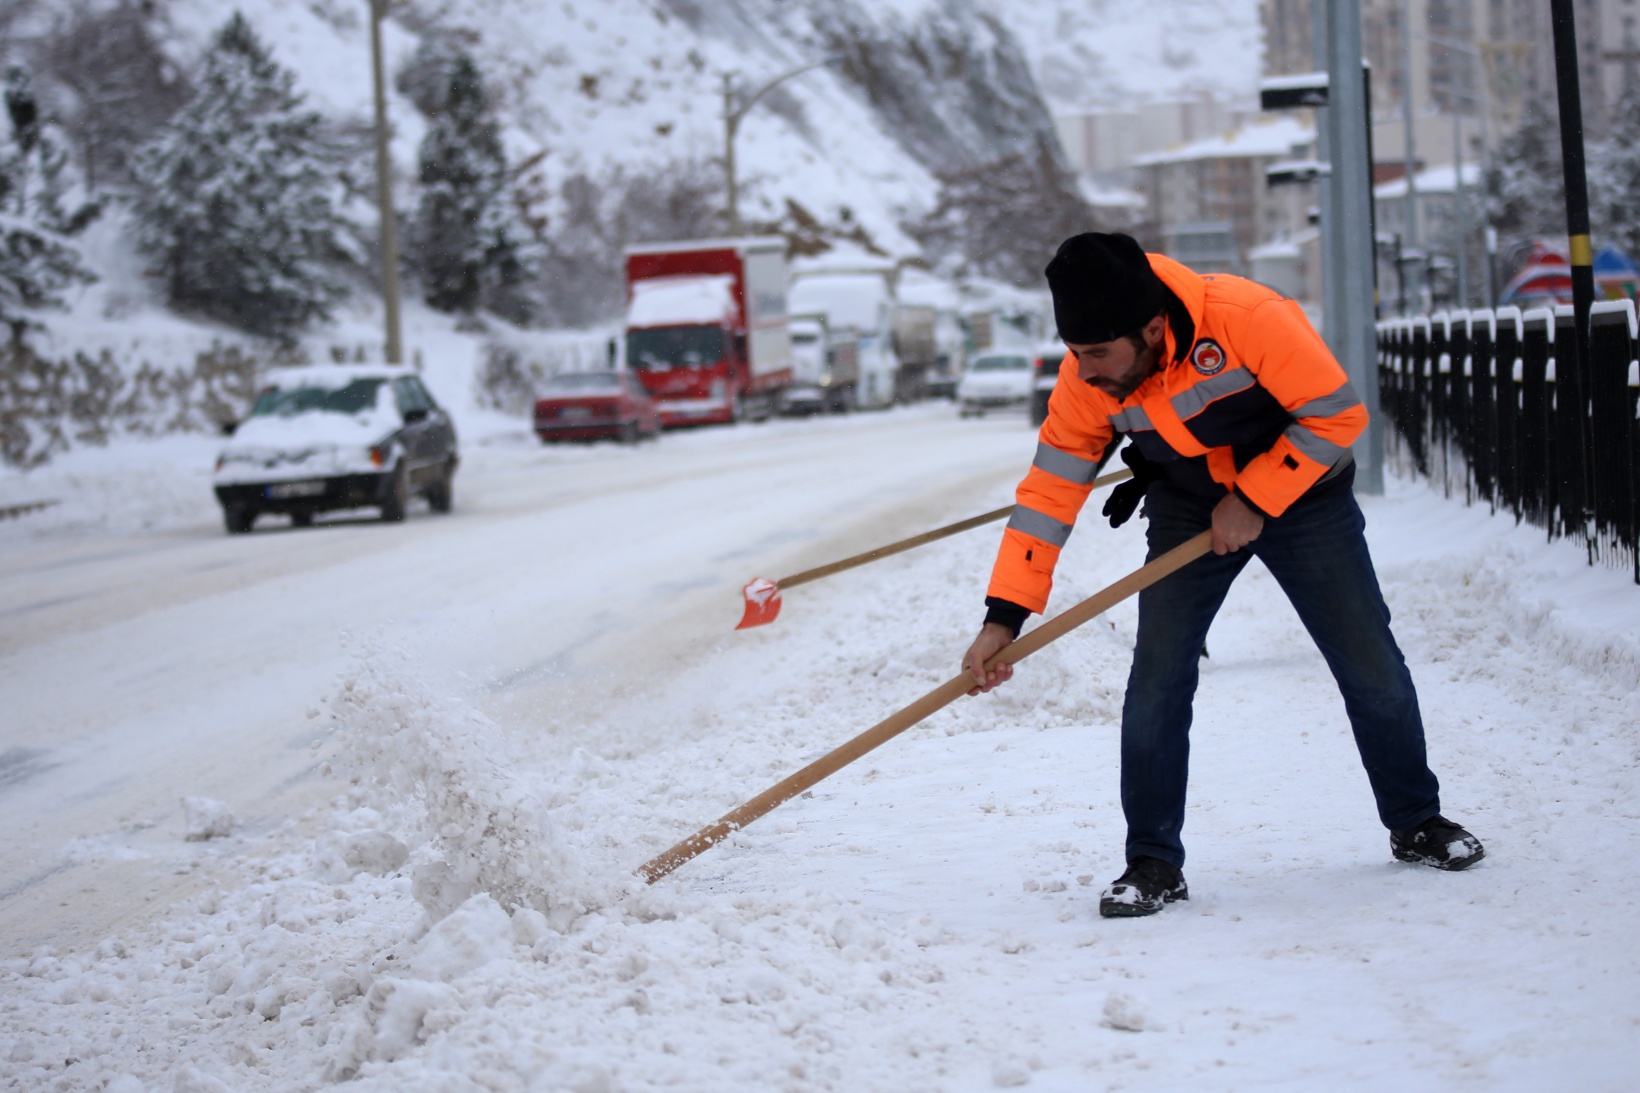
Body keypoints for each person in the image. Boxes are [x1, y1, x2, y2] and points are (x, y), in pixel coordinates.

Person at [963, 233, 1484, 919]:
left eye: (1097, 353)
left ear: (1153, 330)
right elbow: (1048, 495)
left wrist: (1255, 496)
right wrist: (1004, 616)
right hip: (1188, 505)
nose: (1084, 371)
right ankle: (1153, 861)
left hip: (1305, 497)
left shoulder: (1249, 318)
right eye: (1075, 352)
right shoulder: (1086, 374)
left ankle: (1416, 820)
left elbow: (1338, 414)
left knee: (1368, 661)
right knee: (1157, 677)